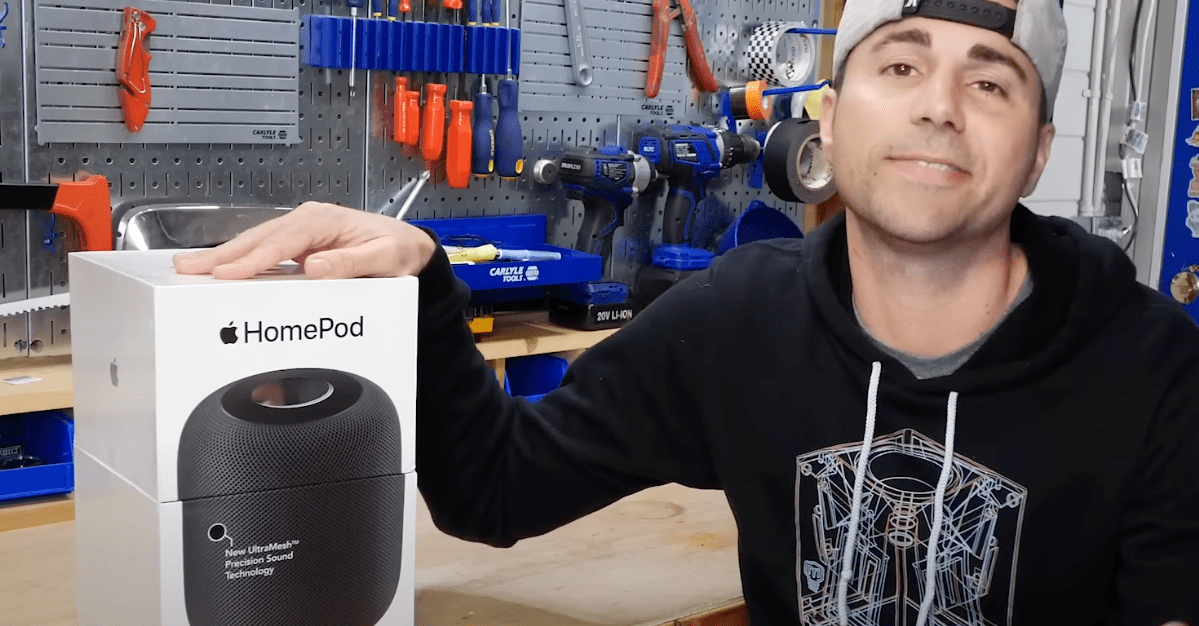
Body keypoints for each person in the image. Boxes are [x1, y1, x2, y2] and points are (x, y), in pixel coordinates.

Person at [174, 0, 1199, 623]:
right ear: (828, 121)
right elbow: (495, 491)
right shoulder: (735, 324)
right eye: (900, 65)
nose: (938, 104)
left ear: (1036, 151)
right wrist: (426, 287)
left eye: (991, 83)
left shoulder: (1152, 371)